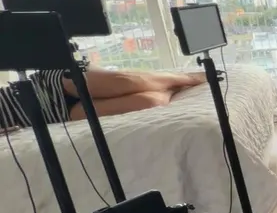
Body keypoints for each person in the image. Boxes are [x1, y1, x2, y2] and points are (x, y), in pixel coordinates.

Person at [0, 67, 205, 131]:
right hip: (51, 116)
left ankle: (189, 78)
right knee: (150, 103)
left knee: (125, 82)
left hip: (45, 86)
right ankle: (172, 86)